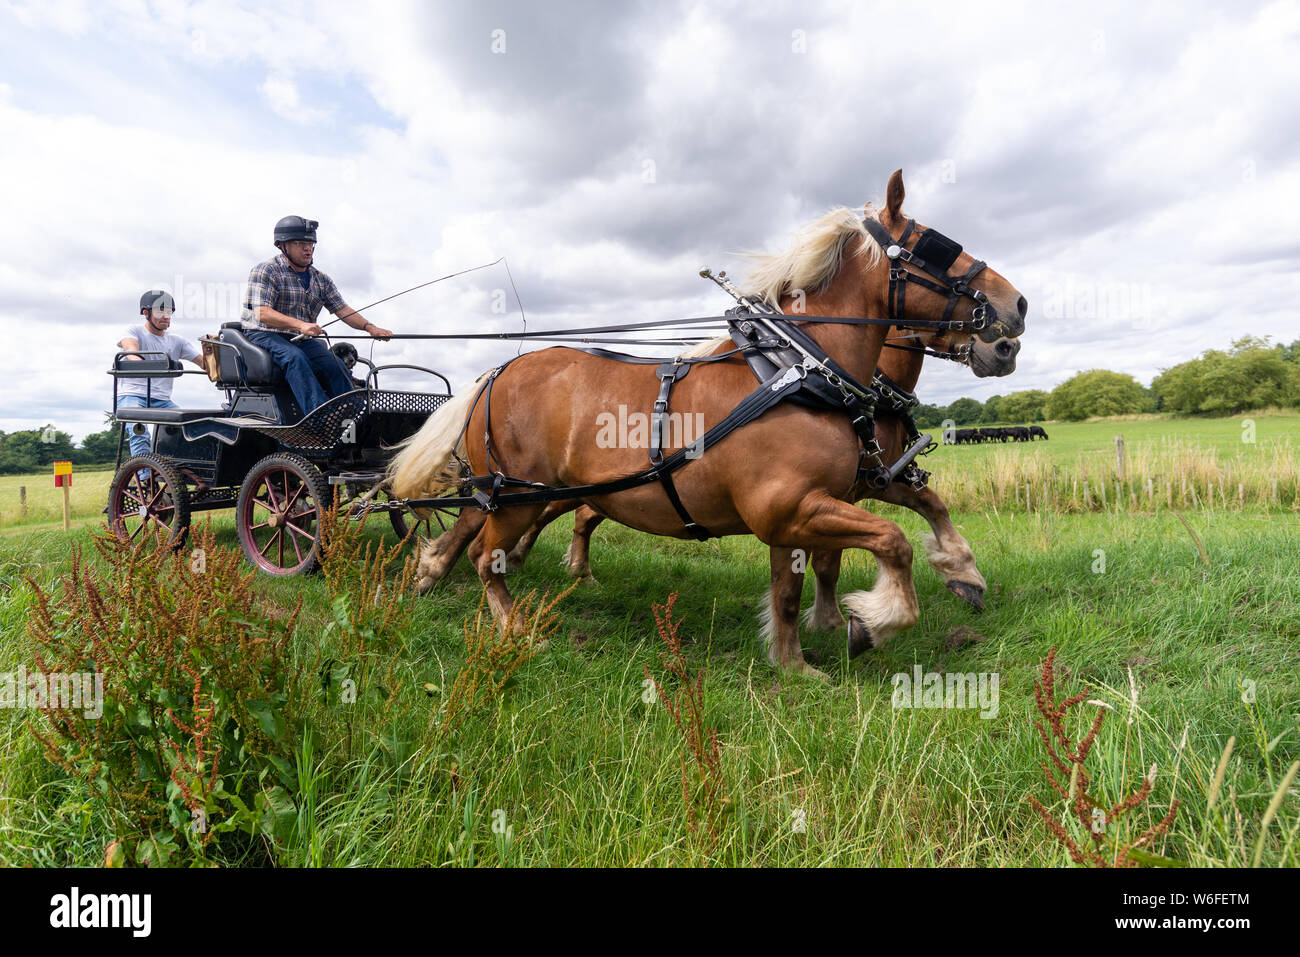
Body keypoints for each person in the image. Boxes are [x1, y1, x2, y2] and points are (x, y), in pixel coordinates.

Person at [239, 215, 392, 417]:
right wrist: (301, 325)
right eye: (300, 243)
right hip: (264, 333)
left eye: (310, 243)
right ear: (283, 246)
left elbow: (343, 310)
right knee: (295, 359)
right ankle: (320, 418)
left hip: (300, 338)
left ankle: (356, 417)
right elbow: (261, 312)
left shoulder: (321, 280)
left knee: (334, 364)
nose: (307, 248)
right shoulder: (267, 270)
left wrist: (370, 328)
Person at [116, 290, 205, 458]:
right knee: (139, 430)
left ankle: (180, 472)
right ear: (146, 313)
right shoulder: (133, 331)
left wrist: (211, 351)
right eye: (160, 311)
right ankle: (145, 477)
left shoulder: (177, 341)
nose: (166, 316)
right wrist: (141, 363)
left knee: (189, 428)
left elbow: (205, 364)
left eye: (169, 312)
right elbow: (130, 350)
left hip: (162, 400)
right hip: (132, 394)